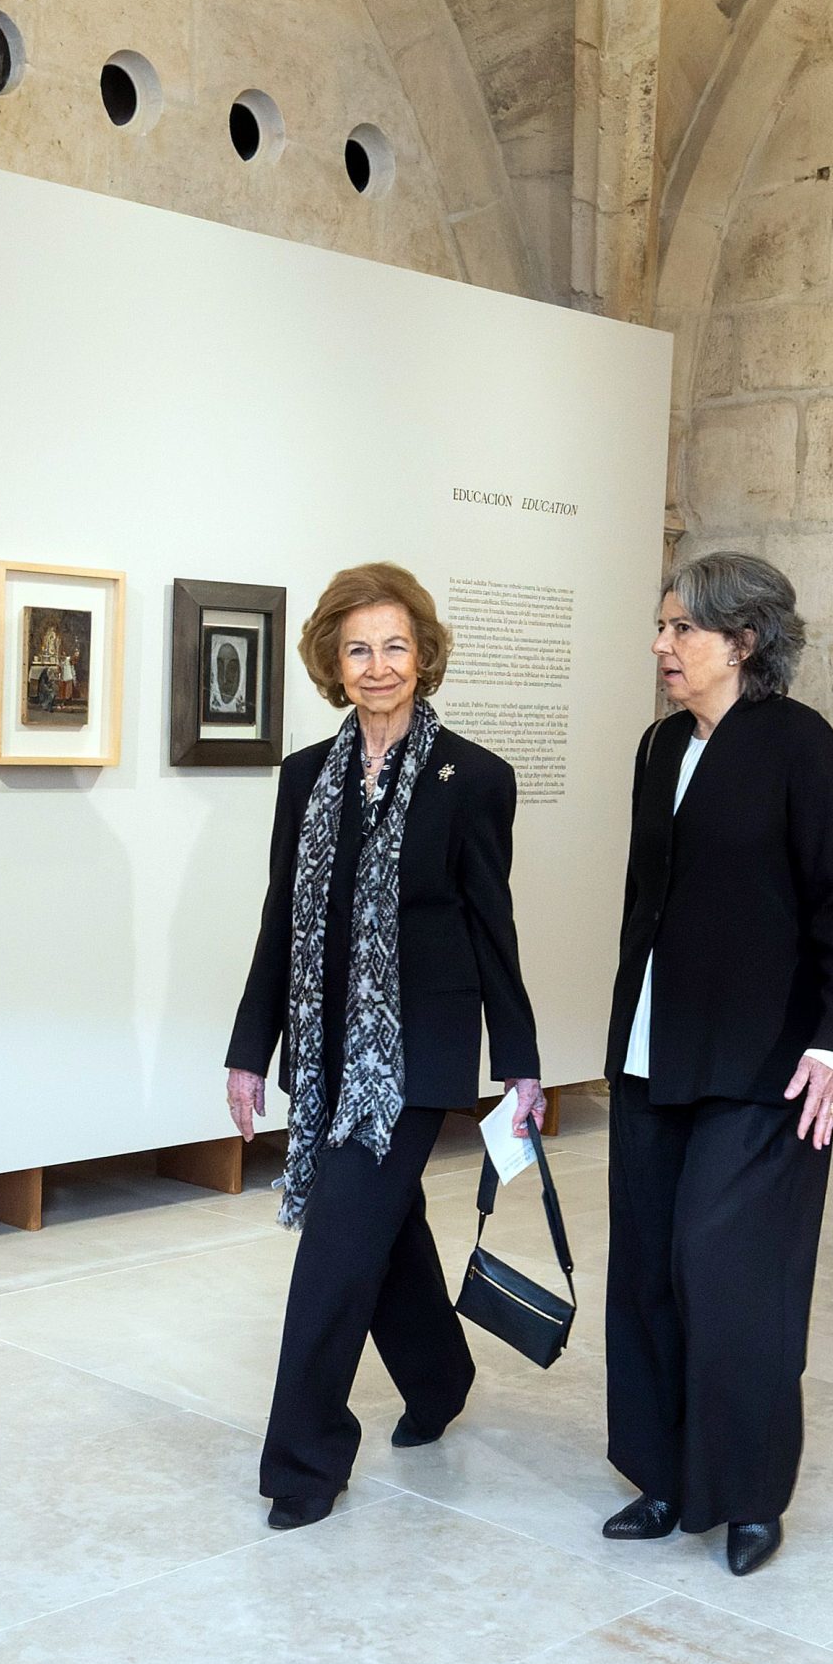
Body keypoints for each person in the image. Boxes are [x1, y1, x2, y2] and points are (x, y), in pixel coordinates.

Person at [225, 562, 542, 1532]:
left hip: (416, 1052)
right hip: (328, 1054)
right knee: (381, 1225)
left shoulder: (475, 778)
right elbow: (284, 918)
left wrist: (521, 1064)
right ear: (331, 659)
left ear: (424, 654)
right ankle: (439, 1376)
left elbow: (495, 926)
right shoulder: (302, 779)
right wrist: (249, 1049)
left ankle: (304, 1460)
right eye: (357, 648)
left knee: (335, 1246)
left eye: (394, 646)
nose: (377, 665)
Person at [600, 551, 833, 1579]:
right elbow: (646, 904)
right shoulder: (658, 746)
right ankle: (664, 1477)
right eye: (662, 627)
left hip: (767, 1063)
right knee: (648, 1273)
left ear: (743, 641)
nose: (663, 646)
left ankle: (749, 1493)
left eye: (682, 629)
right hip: (651, 1052)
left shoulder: (801, 749)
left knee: (731, 1277)